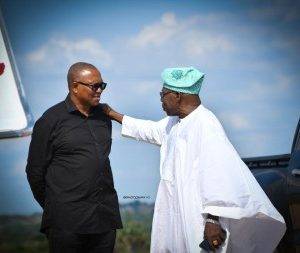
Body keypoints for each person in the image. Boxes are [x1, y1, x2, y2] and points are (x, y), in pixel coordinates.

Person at [103, 67, 286, 252]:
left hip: (197, 216)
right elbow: (148, 130)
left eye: (162, 94)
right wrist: (111, 113)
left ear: (177, 95)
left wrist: (213, 220)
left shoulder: (205, 124)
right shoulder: (175, 122)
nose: (160, 99)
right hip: (175, 213)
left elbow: (217, 175)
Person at [26, 62, 122, 253]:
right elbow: (35, 172)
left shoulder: (104, 118)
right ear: (75, 87)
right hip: (66, 223)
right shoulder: (50, 120)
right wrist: (57, 206)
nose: (99, 91)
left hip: (104, 219)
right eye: (94, 86)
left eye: (102, 85)